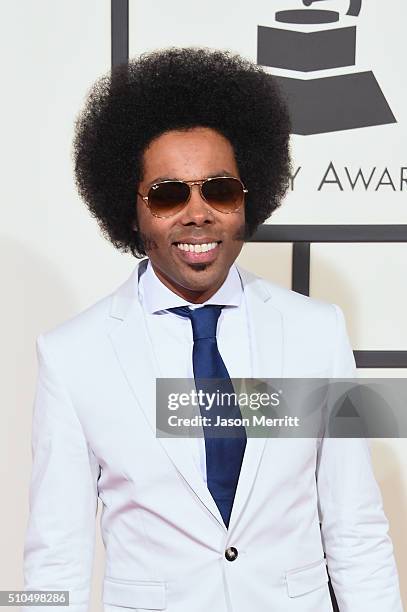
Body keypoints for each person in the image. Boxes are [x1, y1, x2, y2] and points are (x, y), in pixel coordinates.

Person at [22, 47, 403, 612]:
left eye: (219, 189)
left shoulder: (316, 333)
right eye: (168, 193)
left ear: (248, 199)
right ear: (132, 212)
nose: (197, 213)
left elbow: (357, 528)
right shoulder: (72, 356)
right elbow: (55, 556)